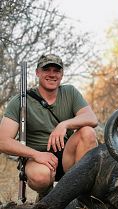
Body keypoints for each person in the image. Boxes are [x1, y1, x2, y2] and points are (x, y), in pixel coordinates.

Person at [0, 54, 98, 200]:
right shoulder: (20, 101)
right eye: (46, 69)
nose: (52, 74)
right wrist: (36, 155)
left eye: (56, 70)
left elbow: (91, 118)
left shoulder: (70, 92)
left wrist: (64, 124)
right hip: (37, 159)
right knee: (41, 177)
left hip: (67, 157)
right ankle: (46, 196)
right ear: (37, 72)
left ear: (62, 74)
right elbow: (3, 141)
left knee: (88, 132)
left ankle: (80, 199)